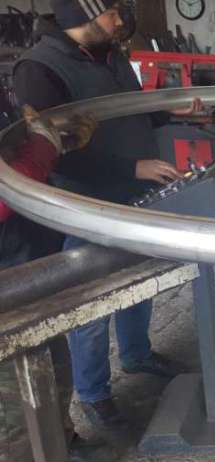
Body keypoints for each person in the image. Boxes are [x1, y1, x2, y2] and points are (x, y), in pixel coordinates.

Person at [12, 0, 200, 428]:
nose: (120, 21)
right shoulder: (39, 70)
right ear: (81, 17)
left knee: (139, 279)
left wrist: (168, 110)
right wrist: (132, 167)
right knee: (92, 301)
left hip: (134, 194)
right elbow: (54, 152)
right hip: (86, 204)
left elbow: (126, 107)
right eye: (110, 12)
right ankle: (94, 393)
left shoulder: (110, 54)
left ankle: (136, 354)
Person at [0, 106, 98, 461]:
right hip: (6, 288)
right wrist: (43, 147)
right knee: (15, 402)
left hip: (31, 269)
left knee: (54, 370)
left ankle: (62, 443)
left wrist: (57, 144)